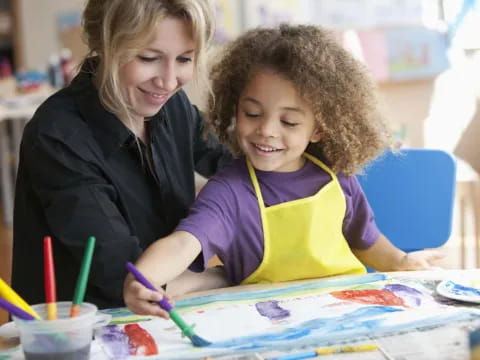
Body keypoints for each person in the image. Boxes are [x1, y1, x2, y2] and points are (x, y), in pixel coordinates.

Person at [123, 24, 444, 318]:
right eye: (252, 113)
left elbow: (366, 241)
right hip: (270, 324)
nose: (267, 130)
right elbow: (182, 244)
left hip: (349, 314)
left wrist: (403, 262)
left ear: (318, 128)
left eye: (289, 121)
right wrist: (146, 277)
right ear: (235, 108)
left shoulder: (337, 179)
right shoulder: (230, 192)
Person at [12, 0, 231, 309]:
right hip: (78, 332)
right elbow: (125, 275)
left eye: (184, 59)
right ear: (104, 43)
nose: (168, 82)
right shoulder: (58, 136)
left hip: (164, 313)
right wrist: (227, 275)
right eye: (148, 58)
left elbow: (232, 160)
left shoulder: (174, 106)